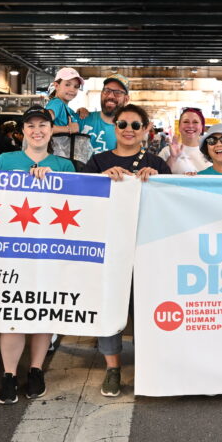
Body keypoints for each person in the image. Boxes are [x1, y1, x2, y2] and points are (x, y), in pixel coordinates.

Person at [0, 106, 76, 404]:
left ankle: (36, 369)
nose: (37, 130)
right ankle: (9, 373)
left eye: (43, 125)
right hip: (11, 249)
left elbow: (76, 205)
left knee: (43, 309)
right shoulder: (5, 161)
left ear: (52, 131)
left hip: (49, 249)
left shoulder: (64, 166)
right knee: (12, 312)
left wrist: (55, 182)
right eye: (31, 126)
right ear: (22, 131)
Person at [85, 104, 170, 396]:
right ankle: (113, 368)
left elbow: (173, 201)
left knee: (148, 306)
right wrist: (100, 181)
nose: (129, 130)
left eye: (136, 125)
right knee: (110, 304)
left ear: (146, 129)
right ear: (114, 127)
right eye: (123, 124)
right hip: (110, 247)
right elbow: (84, 201)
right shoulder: (98, 162)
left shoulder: (157, 163)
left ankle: (150, 364)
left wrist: (157, 180)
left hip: (148, 247)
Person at [78, 74, 130, 154]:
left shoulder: (129, 132)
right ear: (101, 93)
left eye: (118, 92)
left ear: (126, 99)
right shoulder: (82, 118)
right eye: (107, 91)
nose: (110, 96)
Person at [160, 107, 211, 174]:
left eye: (195, 122)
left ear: (202, 127)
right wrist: (172, 158)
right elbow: (157, 178)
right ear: (179, 127)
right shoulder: (167, 151)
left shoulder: (211, 151)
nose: (190, 125)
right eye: (186, 122)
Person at [46, 67, 83, 135]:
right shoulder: (56, 103)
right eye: (67, 85)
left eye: (76, 86)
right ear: (57, 86)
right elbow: (42, 126)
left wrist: (82, 111)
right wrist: (68, 129)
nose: (72, 89)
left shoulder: (67, 109)